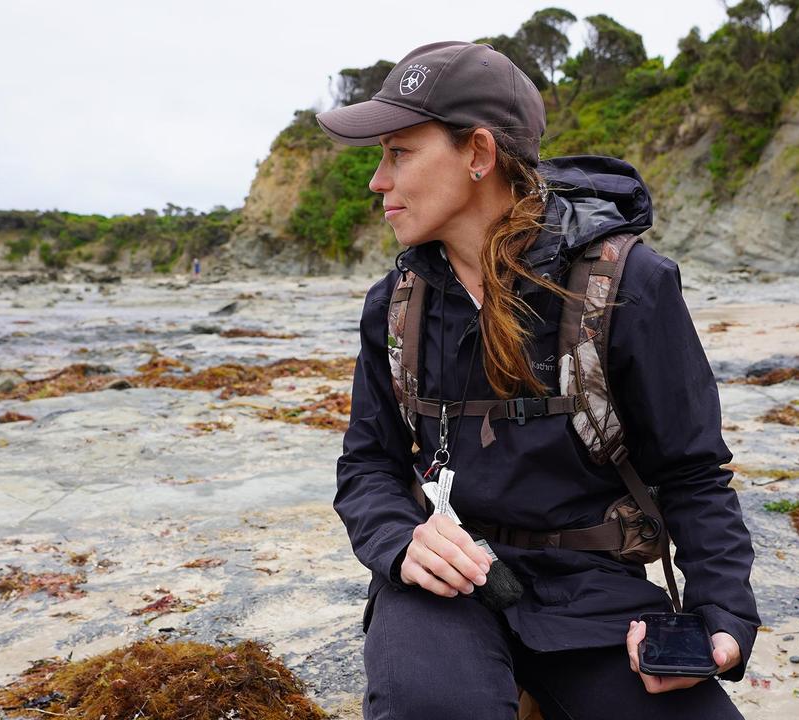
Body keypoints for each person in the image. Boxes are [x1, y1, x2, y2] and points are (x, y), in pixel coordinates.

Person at [320, 41, 759, 719]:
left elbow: (693, 471)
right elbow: (369, 463)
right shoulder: (394, 305)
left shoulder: (629, 288)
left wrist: (723, 616)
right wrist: (400, 541)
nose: (378, 180)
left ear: (478, 155)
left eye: (398, 153)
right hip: (446, 585)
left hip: (593, 592)